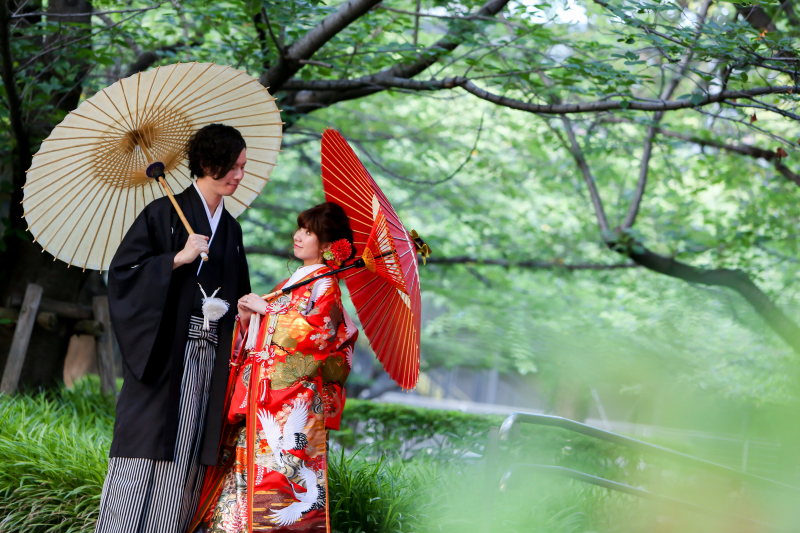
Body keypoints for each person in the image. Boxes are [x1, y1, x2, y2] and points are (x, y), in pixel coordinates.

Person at [95, 124, 252, 533]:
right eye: (232, 167)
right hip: (164, 357)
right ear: (207, 163)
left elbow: (237, 295)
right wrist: (177, 259)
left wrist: (247, 311)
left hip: (209, 358)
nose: (238, 176)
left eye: (241, 168)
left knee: (189, 449)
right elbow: (123, 274)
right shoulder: (162, 214)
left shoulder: (231, 230)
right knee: (148, 446)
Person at [190, 202, 358, 533]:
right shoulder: (296, 280)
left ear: (326, 245)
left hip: (290, 402)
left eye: (308, 232)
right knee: (245, 471)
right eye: (299, 228)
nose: (298, 236)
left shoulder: (325, 285)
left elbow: (317, 337)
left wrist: (267, 309)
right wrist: (250, 317)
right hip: (266, 398)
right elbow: (266, 332)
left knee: (278, 479)